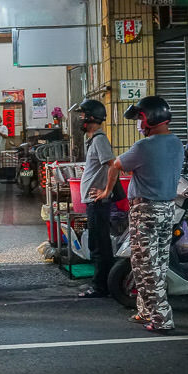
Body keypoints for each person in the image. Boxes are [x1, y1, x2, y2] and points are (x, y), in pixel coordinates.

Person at [93, 96, 184, 333]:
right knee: (158, 264)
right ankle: (146, 310)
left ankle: (162, 319)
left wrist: (105, 192)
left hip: (147, 211)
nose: (138, 125)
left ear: (149, 118)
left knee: (146, 266)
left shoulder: (144, 147)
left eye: (139, 119)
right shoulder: (176, 142)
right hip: (166, 209)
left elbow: (115, 165)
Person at [72, 99, 115, 299]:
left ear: (91, 117)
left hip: (98, 202)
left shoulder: (99, 140)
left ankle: (101, 287)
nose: (80, 119)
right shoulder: (94, 140)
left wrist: (106, 191)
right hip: (93, 202)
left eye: (83, 115)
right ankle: (102, 284)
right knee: (97, 243)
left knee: (99, 245)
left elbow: (113, 165)